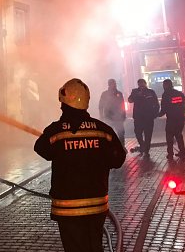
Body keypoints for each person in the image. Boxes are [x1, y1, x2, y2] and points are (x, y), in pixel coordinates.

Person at [34, 78, 127, 252]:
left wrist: (58, 143)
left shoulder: (55, 131)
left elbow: (41, 149)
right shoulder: (103, 130)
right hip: (97, 207)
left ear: (64, 103)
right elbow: (118, 159)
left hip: (67, 211)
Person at [157, 79, 185, 159]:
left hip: (172, 119)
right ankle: (183, 151)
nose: (163, 87)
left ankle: (170, 153)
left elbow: (164, 108)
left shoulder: (166, 94)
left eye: (164, 85)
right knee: (178, 135)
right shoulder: (180, 94)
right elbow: (184, 106)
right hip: (181, 118)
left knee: (169, 136)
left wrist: (157, 115)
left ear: (166, 85)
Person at [128, 78, 159, 156]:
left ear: (145, 84)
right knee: (138, 132)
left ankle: (146, 149)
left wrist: (155, 113)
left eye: (142, 83)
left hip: (149, 117)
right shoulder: (135, 91)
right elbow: (130, 100)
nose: (141, 85)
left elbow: (156, 103)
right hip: (138, 117)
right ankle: (142, 144)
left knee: (148, 134)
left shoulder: (151, 92)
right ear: (138, 84)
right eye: (139, 84)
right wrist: (137, 95)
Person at [98, 79, 126, 144]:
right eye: (113, 84)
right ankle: (110, 147)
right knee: (108, 134)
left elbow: (122, 104)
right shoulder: (104, 94)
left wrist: (123, 115)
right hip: (108, 117)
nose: (114, 85)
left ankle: (122, 146)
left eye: (115, 83)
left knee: (121, 133)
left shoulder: (119, 93)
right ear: (109, 85)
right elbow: (101, 105)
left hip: (118, 117)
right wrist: (101, 116)